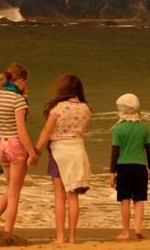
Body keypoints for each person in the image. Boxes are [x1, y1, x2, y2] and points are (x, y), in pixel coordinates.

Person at [34, 74, 92, 244]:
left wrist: (37, 149)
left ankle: (60, 237)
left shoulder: (59, 108)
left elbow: (46, 131)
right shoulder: (86, 108)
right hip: (78, 151)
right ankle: (72, 238)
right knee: (73, 196)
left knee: (60, 196)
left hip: (59, 151)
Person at [0, 63, 38, 233]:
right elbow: (21, 130)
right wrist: (32, 152)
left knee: (10, 189)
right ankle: (7, 232)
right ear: (20, 80)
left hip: (2, 146)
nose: (26, 85)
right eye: (25, 81)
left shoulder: (0, 95)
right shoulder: (17, 99)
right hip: (15, 146)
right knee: (14, 195)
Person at [109, 93, 150, 240]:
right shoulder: (144, 128)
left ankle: (125, 232)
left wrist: (112, 172)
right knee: (139, 200)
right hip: (140, 168)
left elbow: (115, 152)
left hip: (123, 168)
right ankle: (138, 228)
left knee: (124, 200)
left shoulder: (118, 129)